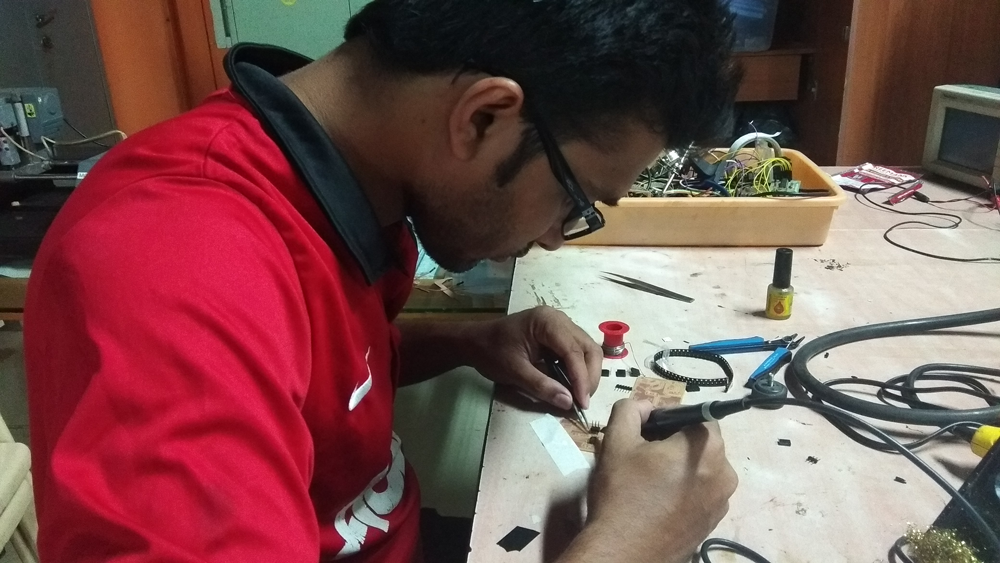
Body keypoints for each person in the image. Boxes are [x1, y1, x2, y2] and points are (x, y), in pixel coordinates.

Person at [23, 0, 740, 561]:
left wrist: (471, 342)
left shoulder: (342, 186)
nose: (556, 235)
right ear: (483, 117)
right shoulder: (174, 268)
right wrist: (632, 542)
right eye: (574, 201)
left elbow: (311, 373)